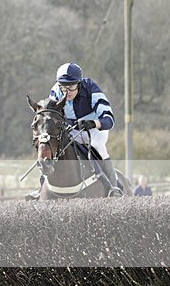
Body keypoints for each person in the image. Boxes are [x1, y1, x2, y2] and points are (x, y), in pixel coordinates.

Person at [49, 62, 123, 197]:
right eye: (64, 88)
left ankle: (113, 187)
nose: (67, 92)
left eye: (71, 87)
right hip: (70, 130)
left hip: (94, 130)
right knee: (52, 148)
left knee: (97, 146)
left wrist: (93, 123)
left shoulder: (91, 88)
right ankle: (42, 186)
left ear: (79, 83)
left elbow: (109, 119)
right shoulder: (56, 91)